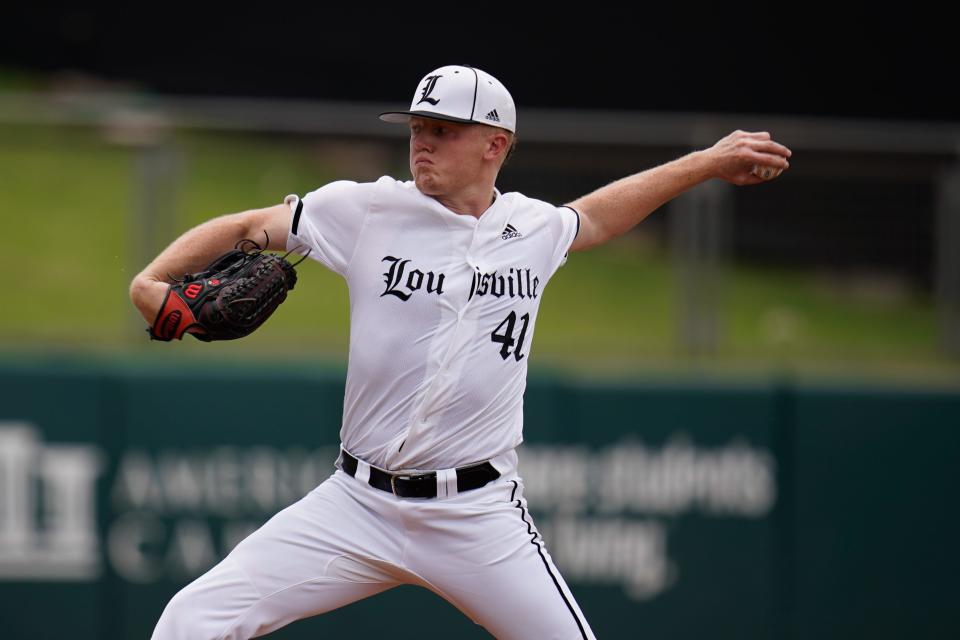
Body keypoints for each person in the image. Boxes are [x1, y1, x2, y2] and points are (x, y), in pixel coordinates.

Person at [130, 64, 792, 639]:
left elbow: (596, 216)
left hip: (475, 515)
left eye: (443, 130)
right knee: (192, 621)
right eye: (418, 127)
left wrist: (707, 161)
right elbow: (249, 227)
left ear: (494, 145)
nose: (422, 141)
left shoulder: (532, 228)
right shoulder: (364, 211)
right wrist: (150, 283)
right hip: (356, 506)